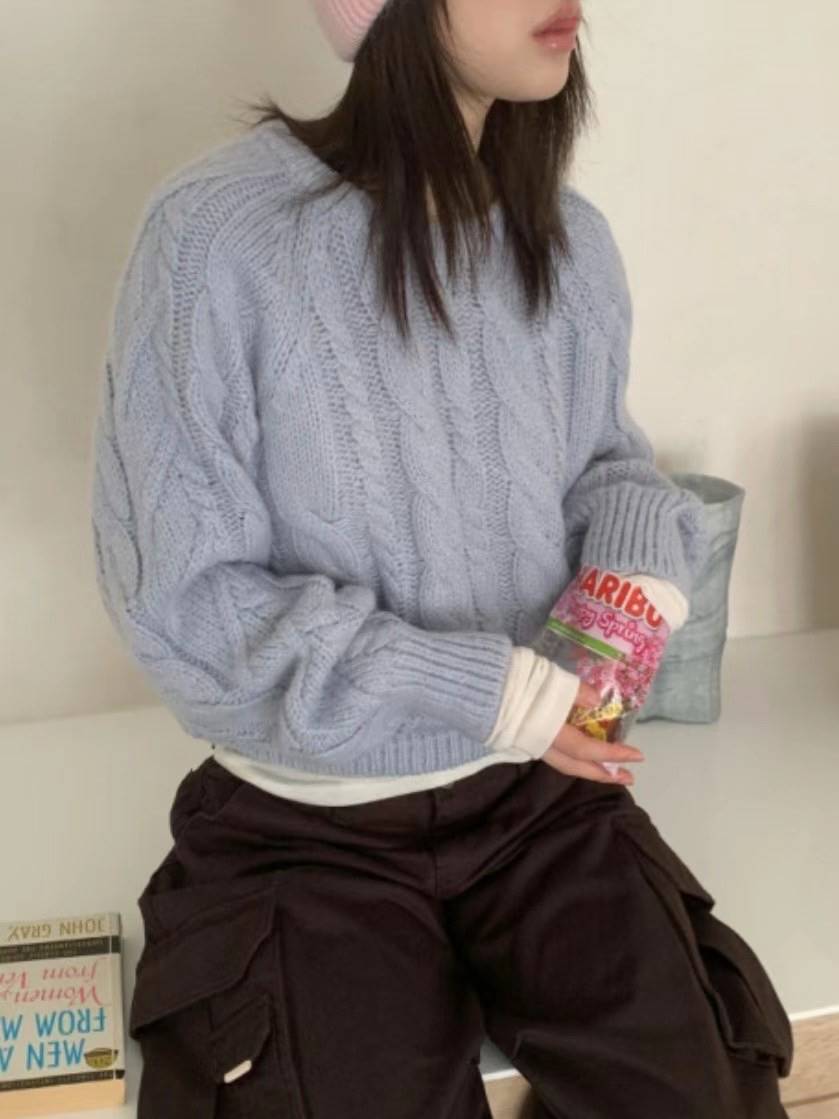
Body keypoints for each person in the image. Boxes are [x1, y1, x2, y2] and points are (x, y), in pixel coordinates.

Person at [90, 1, 794, 1115]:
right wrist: (492, 691)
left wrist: (628, 588)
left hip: (540, 805)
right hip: (303, 831)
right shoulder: (217, 235)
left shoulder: (566, 239)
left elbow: (605, 464)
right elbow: (184, 600)